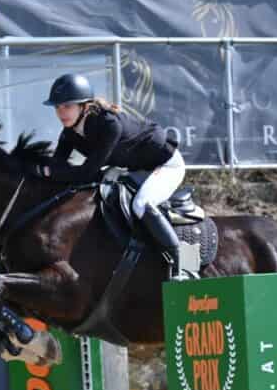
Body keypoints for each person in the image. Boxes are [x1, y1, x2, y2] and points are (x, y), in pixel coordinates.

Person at [34, 73, 187, 279]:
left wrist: (51, 172)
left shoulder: (108, 125)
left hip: (165, 164)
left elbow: (87, 173)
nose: (61, 112)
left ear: (85, 106)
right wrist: (39, 170)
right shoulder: (69, 133)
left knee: (141, 204)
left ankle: (180, 264)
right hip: (133, 167)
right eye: (57, 107)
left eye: (67, 106)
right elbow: (56, 166)